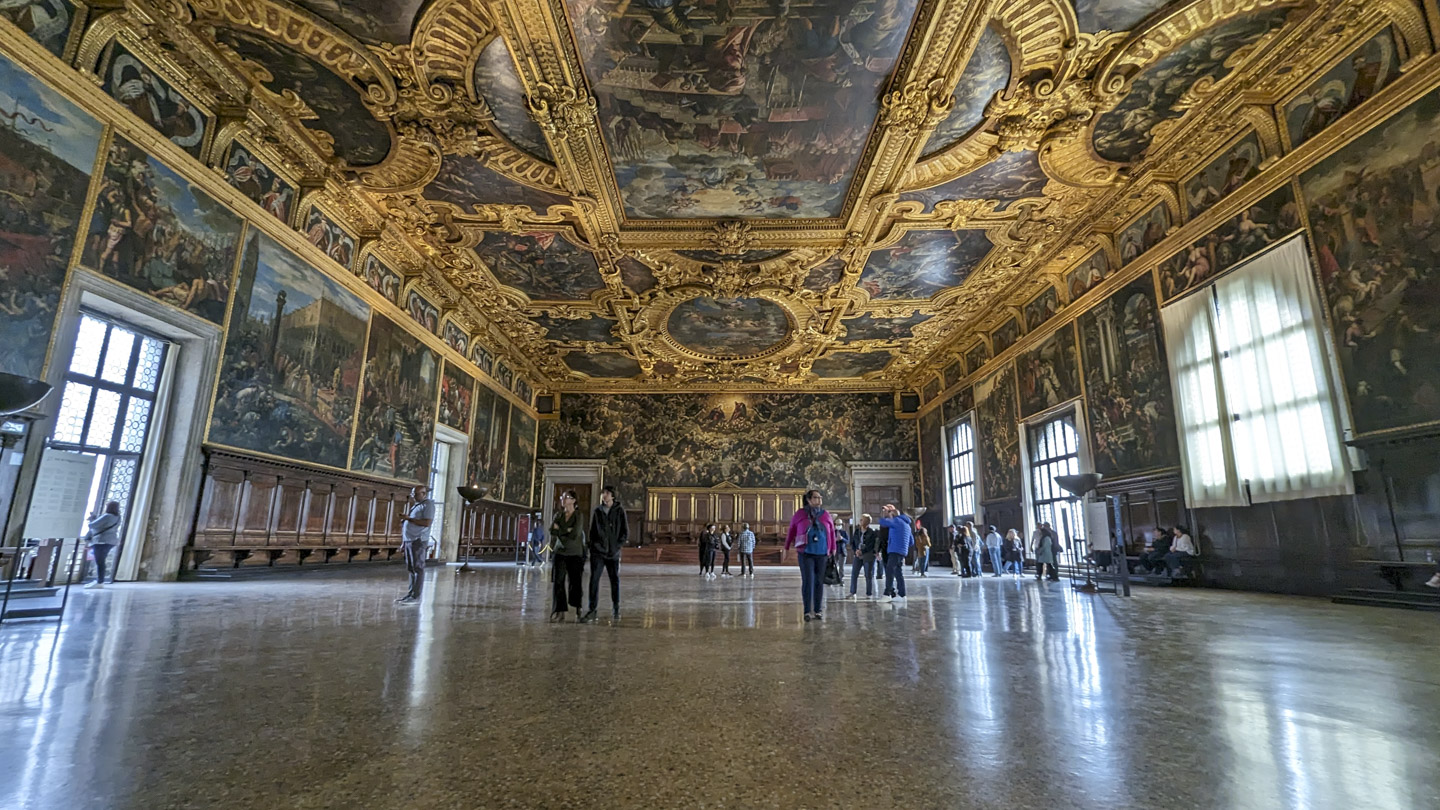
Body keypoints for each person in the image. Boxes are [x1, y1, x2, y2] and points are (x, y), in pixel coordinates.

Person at [786, 489, 836, 622]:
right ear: (808, 500)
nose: (819, 500)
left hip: (822, 553)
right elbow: (791, 529)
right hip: (805, 553)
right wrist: (786, 546)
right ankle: (807, 611)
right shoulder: (800, 514)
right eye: (816, 497)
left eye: (820, 497)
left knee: (819, 582)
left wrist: (833, 548)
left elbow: (831, 532)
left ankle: (818, 610)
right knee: (808, 581)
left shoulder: (826, 514)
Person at [582, 485, 627, 623]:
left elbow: (624, 532)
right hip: (598, 552)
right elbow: (592, 531)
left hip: (613, 553)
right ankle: (592, 609)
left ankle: (616, 607)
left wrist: (616, 546)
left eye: (607, 493)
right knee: (594, 580)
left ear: (612, 495)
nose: (604, 495)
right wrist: (594, 546)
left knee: (614, 580)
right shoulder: (598, 511)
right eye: (603, 493)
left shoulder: (619, 511)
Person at [549, 490, 586, 622]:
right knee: (558, 582)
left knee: (575, 582)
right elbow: (551, 530)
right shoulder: (558, 514)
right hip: (560, 552)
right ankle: (559, 611)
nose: (563, 499)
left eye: (566, 497)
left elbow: (575, 534)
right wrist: (565, 530)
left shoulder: (578, 515)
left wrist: (560, 529)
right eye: (562, 497)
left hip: (575, 553)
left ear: (574, 500)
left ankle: (578, 609)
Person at [396, 486, 434, 604]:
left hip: (418, 540)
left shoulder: (428, 505)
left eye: (416, 494)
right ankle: (410, 593)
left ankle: (416, 596)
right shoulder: (417, 505)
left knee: (418, 568)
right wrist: (404, 542)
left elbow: (427, 522)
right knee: (411, 568)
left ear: (423, 494)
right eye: (413, 494)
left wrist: (409, 518)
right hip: (409, 540)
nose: (413, 496)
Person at [83, 501, 122, 589]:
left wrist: (92, 519)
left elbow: (92, 525)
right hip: (111, 541)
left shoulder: (107, 516)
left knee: (100, 561)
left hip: (101, 540)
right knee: (102, 561)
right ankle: (100, 580)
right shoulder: (118, 517)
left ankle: (100, 581)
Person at [879, 504, 913, 604]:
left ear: (893, 514)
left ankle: (887, 594)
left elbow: (882, 521)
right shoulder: (906, 524)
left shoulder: (896, 521)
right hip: (902, 552)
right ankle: (902, 595)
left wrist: (884, 513)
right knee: (898, 573)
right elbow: (911, 542)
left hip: (894, 550)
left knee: (889, 572)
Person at [848, 514, 879, 600]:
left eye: (862, 520)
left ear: (867, 522)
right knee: (854, 573)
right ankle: (852, 592)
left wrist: (862, 551)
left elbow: (871, 545)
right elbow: (853, 542)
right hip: (858, 555)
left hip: (868, 556)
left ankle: (869, 593)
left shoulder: (872, 533)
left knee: (868, 575)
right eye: (860, 519)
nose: (860, 521)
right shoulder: (857, 531)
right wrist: (856, 551)